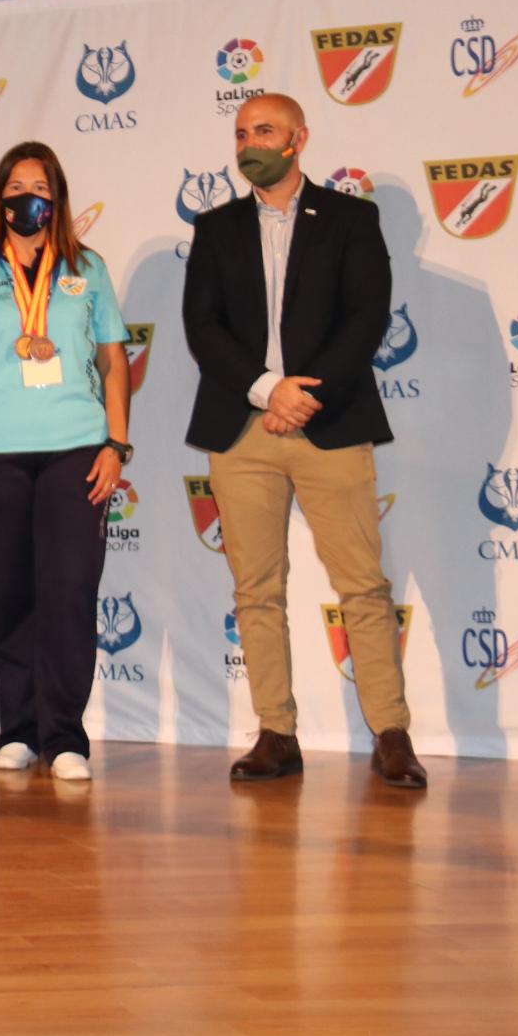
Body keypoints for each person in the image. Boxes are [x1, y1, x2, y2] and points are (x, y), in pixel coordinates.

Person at [181, 93, 424, 789]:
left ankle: (391, 733)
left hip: (331, 422)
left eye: (264, 131)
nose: (248, 143)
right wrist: (267, 389)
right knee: (256, 589)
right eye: (240, 133)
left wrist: (303, 395)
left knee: (363, 586)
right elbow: (203, 326)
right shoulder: (216, 228)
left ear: (298, 140)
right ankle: (276, 733)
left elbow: (366, 318)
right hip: (243, 429)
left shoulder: (350, 219)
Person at [0, 141, 131, 782]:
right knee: (11, 593)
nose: (26, 198)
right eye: (15, 187)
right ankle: (18, 729)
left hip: (76, 448)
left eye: (38, 187)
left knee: (70, 591)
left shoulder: (87, 267)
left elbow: (113, 360)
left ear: (57, 197)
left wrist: (116, 444)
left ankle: (65, 735)